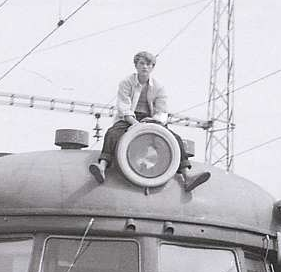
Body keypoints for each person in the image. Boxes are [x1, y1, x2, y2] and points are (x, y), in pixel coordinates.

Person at [88, 51, 210, 193]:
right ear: (136, 65)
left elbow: (162, 111)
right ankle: (102, 167)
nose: (145, 67)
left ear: (152, 67)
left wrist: (153, 121)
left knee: (175, 139)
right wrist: (135, 124)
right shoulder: (126, 83)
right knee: (112, 133)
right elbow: (124, 107)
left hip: (151, 119)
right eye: (142, 63)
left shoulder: (159, 87)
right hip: (129, 119)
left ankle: (187, 176)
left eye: (148, 64)